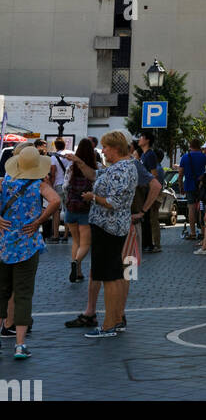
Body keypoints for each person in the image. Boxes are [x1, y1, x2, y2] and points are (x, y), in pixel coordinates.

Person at [65, 148, 160, 332]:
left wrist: (143, 211)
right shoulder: (131, 165)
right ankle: (113, 314)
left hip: (126, 224)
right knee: (120, 271)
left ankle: (116, 315)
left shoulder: (131, 166)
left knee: (120, 271)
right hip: (126, 223)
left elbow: (156, 186)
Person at [0, 144, 61, 360]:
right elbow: (56, 201)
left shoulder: (5, 182)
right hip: (27, 245)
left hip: (4, 245)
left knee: (2, 292)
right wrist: (39, 221)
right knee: (23, 294)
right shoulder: (38, 185)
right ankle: (19, 345)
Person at [74, 131, 137, 340]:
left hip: (108, 227)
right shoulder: (123, 167)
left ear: (117, 148)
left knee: (109, 277)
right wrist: (79, 162)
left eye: (106, 147)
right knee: (116, 275)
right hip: (114, 227)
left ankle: (109, 324)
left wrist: (93, 197)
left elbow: (113, 202)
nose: (104, 151)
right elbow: (95, 175)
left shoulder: (121, 169)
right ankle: (116, 319)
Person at [65, 139, 98, 282]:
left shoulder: (71, 168)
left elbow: (65, 187)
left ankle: (78, 272)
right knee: (85, 244)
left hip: (71, 208)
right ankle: (76, 262)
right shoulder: (96, 168)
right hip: (86, 209)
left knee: (76, 242)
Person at [137, 132, 163, 253]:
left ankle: (149, 244)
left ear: (147, 140)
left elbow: (154, 174)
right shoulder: (143, 155)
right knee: (145, 219)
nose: (139, 139)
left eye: (141, 137)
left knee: (147, 218)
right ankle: (145, 243)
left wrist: (150, 189)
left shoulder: (150, 155)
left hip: (148, 190)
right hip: (143, 190)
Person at [179, 138, 206, 241]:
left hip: (189, 186)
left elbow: (180, 173)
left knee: (191, 208)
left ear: (190, 146)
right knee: (201, 208)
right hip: (201, 186)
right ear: (199, 146)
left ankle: (192, 233)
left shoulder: (185, 157)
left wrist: (181, 186)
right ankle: (203, 232)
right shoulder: (204, 157)